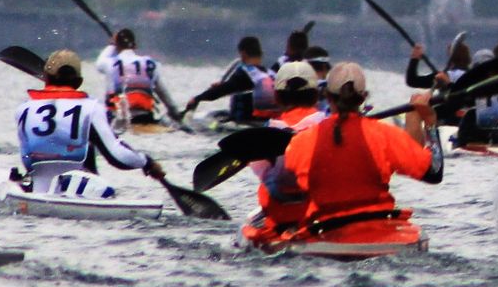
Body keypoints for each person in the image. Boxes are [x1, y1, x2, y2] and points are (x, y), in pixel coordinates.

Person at [276, 62, 441, 238]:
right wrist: (430, 122)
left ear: (326, 97)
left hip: (326, 233)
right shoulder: (383, 134)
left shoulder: (301, 142)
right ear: (363, 97)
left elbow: (286, 190)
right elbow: (433, 172)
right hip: (380, 230)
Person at [15, 49, 158, 187]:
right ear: (79, 82)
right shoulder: (92, 109)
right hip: (80, 190)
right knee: (87, 144)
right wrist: (146, 162)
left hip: (34, 188)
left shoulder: (23, 109)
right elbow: (118, 158)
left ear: (45, 78)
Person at [242, 64, 332, 246]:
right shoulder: (330, 125)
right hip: (322, 218)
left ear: (276, 97)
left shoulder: (268, 131)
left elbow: (264, 173)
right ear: (316, 95)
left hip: (280, 219)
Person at [97, 27, 180, 130]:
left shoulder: (110, 63)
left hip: (119, 121)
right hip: (145, 119)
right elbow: (163, 94)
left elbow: (99, 62)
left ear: (117, 45)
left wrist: (111, 45)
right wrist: (175, 113)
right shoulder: (150, 64)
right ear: (135, 45)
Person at [187, 36, 272, 122]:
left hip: (243, 121)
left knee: (211, 122)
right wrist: (223, 85)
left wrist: (197, 98)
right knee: (220, 113)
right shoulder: (268, 74)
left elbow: (221, 91)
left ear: (243, 53)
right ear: (261, 54)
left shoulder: (245, 74)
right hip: (264, 120)